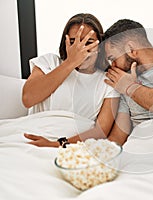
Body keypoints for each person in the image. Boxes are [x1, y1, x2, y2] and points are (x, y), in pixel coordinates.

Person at [23, 13, 119, 147]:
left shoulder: (107, 81)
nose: (80, 49)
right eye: (74, 42)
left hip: (71, 145)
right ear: (65, 43)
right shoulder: (49, 62)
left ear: (100, 46)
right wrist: (70, 62)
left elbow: (101, 131)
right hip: (35, 135)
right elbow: (28, 99)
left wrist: (58, 144)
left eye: (89, 43)